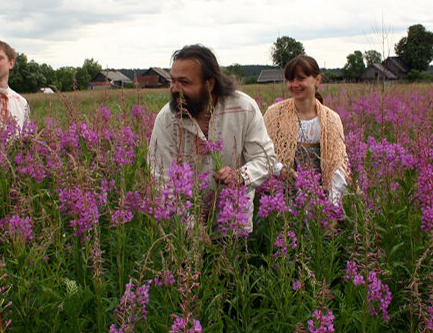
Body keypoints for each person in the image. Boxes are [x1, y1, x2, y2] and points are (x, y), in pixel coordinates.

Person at [147, 44, 276, 231]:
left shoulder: (243, 108)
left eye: (184, 82)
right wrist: (191, 228)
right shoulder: (167, 119)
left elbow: (266, 159)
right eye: (172, 81)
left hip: (234, 221)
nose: (175, 89)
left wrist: (240, 176)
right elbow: (160, 178)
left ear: (210, 84)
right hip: (183, 226)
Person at [263, 55, 350, 205]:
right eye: (290, 80)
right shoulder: (274, 114)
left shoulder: (331, 120)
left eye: (301, 78)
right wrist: (280, 170)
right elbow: (261, 153)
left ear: (317, 80)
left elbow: (338, 167)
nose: (294, 85)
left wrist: (332, 206)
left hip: (320, 200)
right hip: (281, 199)